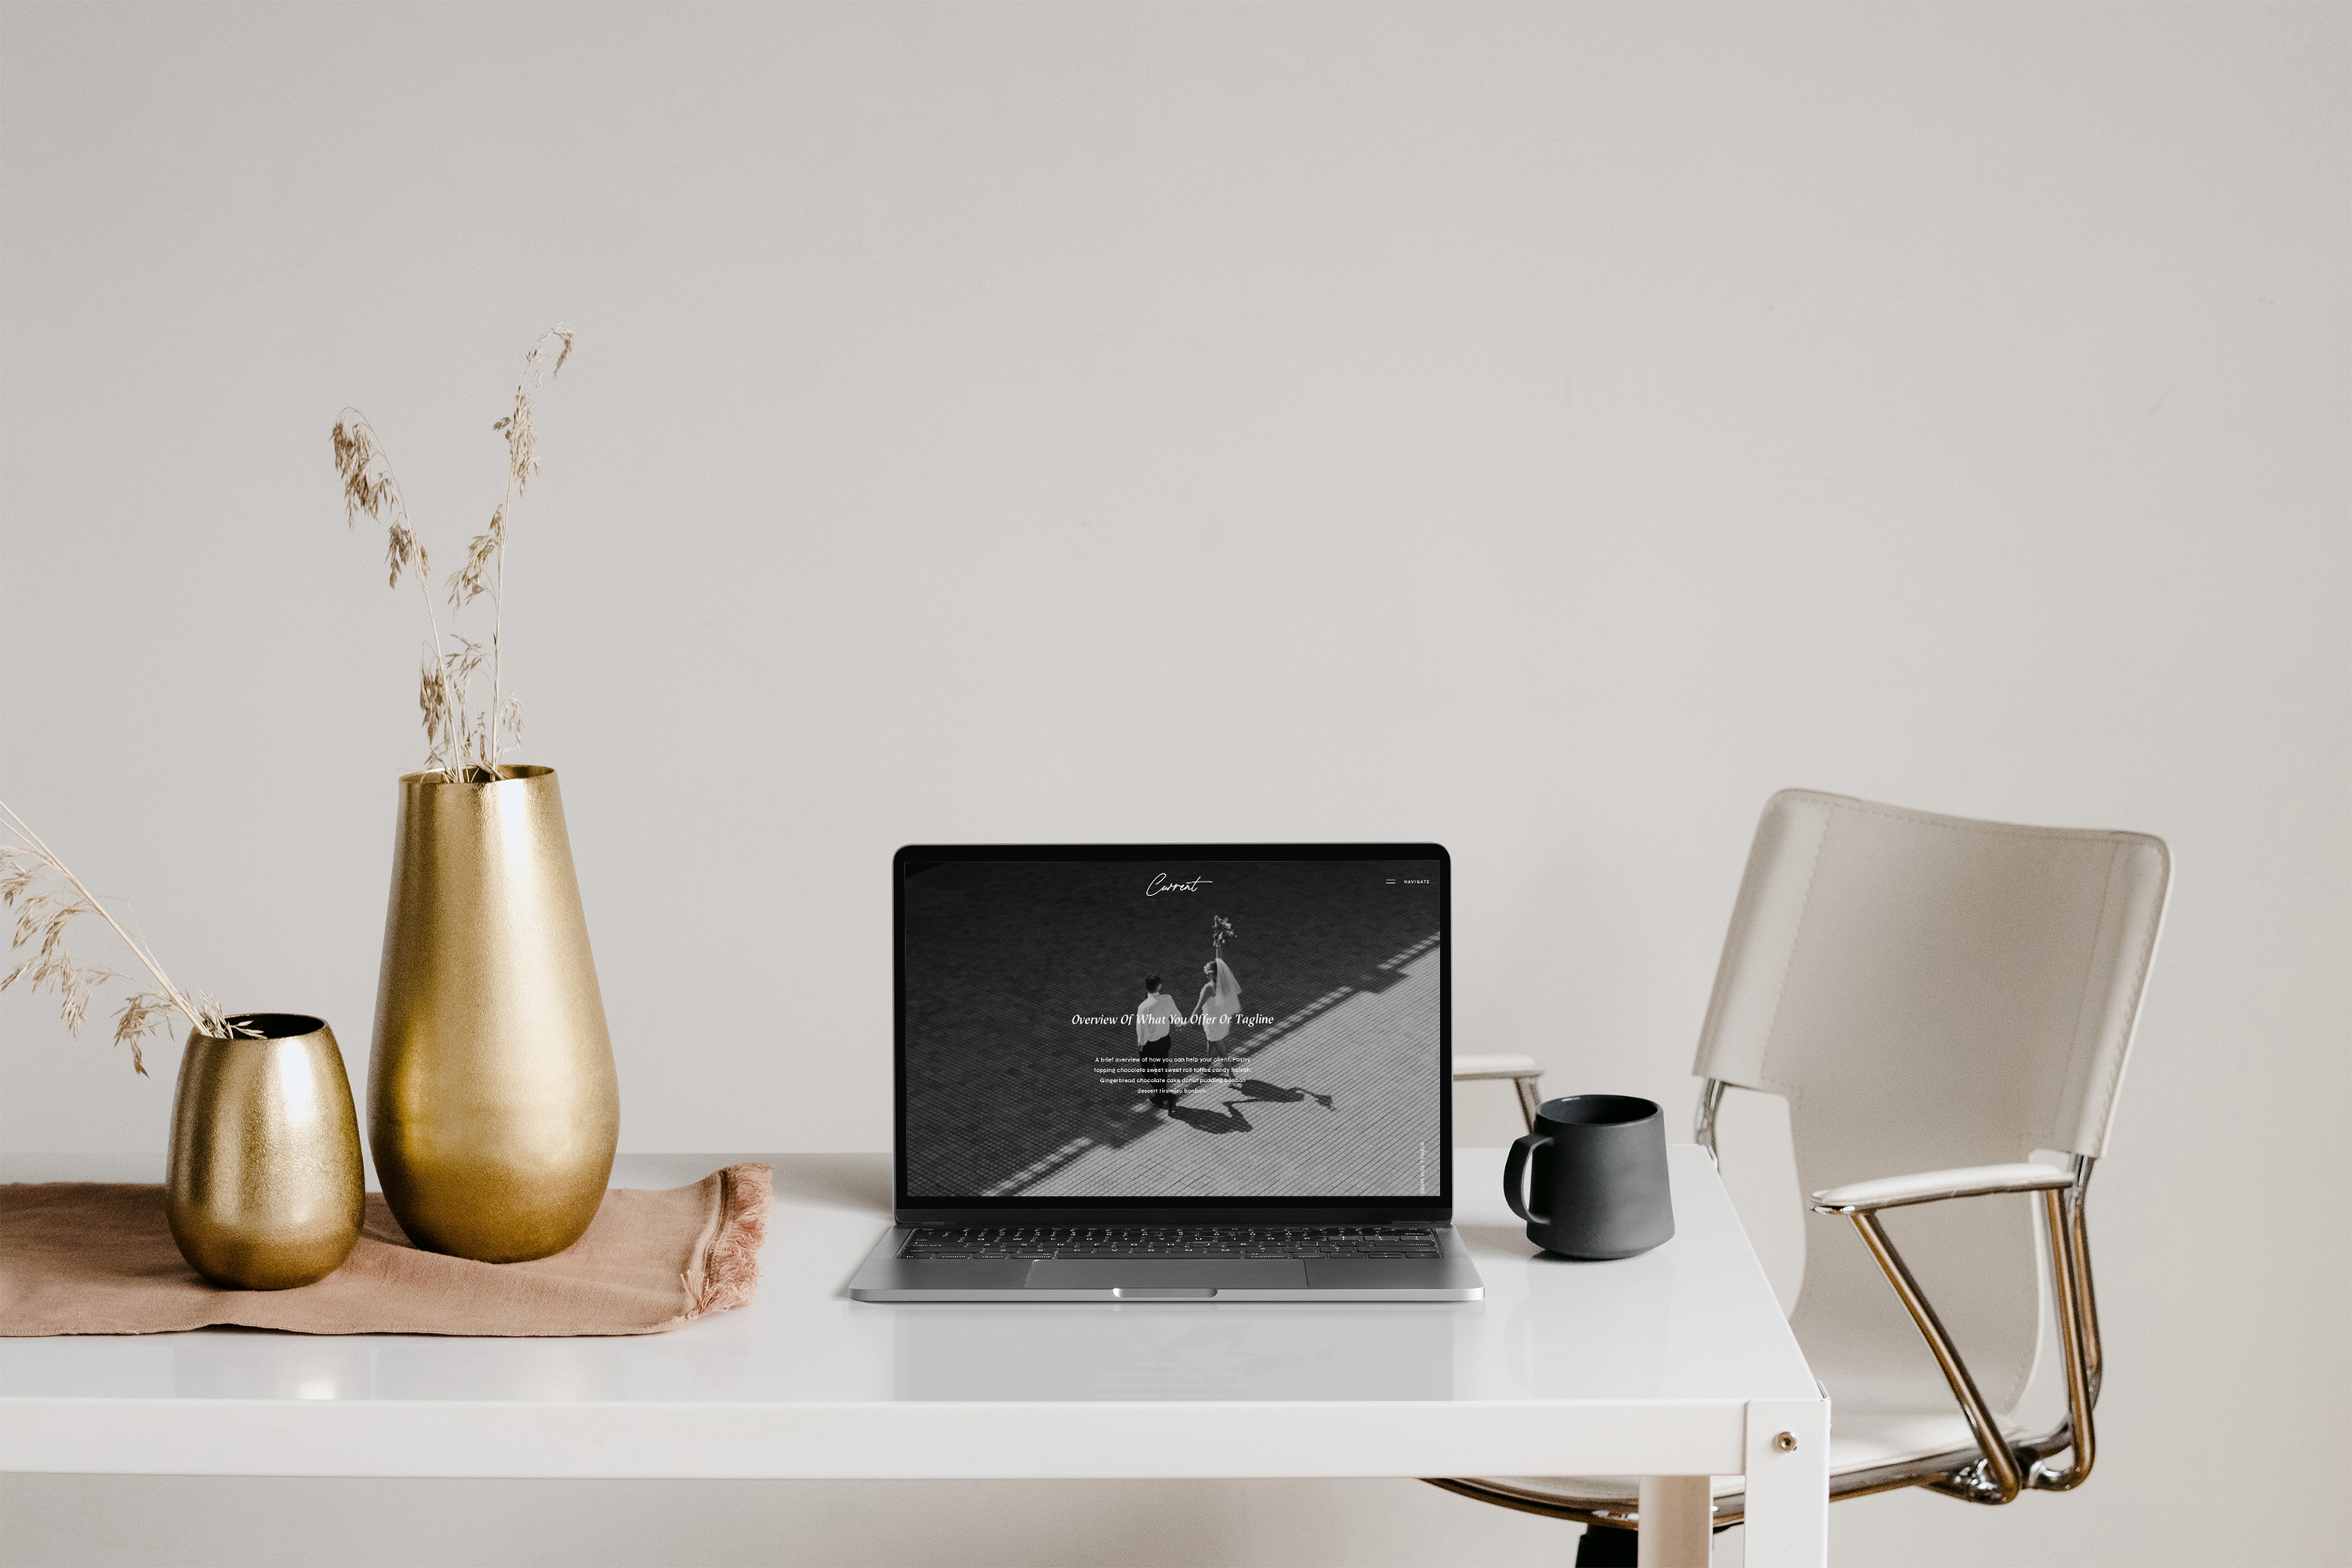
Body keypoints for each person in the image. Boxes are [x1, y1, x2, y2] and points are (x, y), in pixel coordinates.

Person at [1196, 920, 1240, 1081]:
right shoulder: (1221, 981)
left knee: (1221, 1049)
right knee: (1211, 1041)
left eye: (1208, 972)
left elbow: (1197, 1008)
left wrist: (1186, 1023)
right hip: (1221, 1019)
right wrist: (1218, 946)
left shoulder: (1208, 988)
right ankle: (1208, 1065)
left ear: (1212, 974)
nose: (1206, 973)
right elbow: (1219, 962)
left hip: (1213, 1021)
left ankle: (1231, 1075)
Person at [1134, 974, 1183, 1110]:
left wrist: (1141, 1043)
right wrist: (1179, 1024)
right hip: (1166, 1041)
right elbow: (1176, 1014)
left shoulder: (1144, 1006)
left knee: (1147, 1071)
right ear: (1159, 986)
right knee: (1162, 1070)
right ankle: (1159, 1097)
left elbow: (1142, 1027)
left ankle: (1167, 1095)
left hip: (1151, 1044)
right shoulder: (1168, 998)